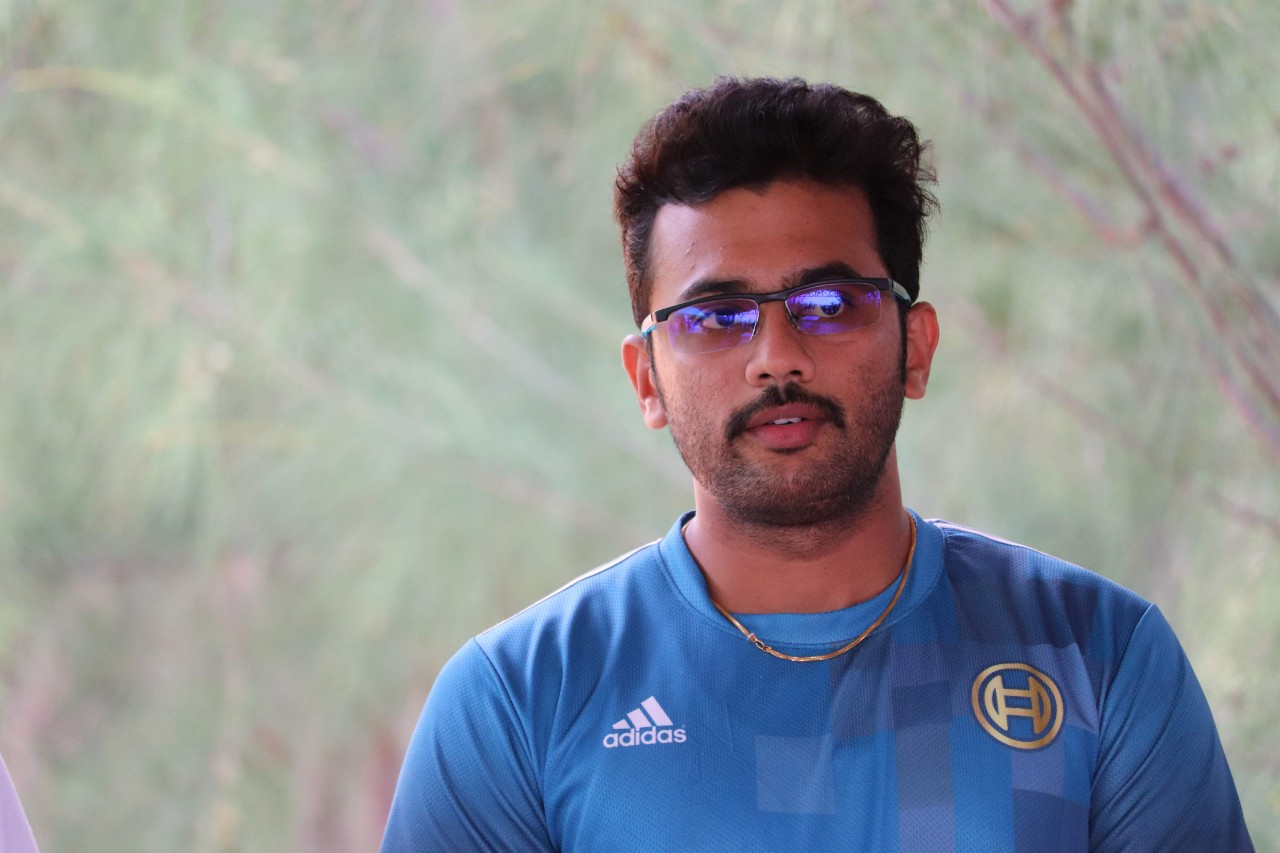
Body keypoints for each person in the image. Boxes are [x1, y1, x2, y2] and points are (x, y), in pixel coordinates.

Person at [381, 77, 1252, 851]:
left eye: (829, 304)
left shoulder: (1097, 657)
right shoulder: (522, 699)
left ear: (915, 347)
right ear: (647, 380)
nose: (776, 357)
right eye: (715, 318)